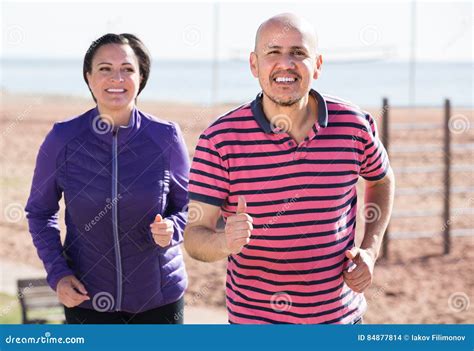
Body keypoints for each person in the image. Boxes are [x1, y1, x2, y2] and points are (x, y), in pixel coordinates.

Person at [184, 14, 395, 324]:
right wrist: (224, 242)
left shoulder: (353, 124)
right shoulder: (220, 139)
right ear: (254, 65)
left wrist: (370, 249)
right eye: (273, 52)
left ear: (318, 65)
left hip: (342, 323)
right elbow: (194, 238)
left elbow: (382, 180)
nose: (286, 63)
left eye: (298, 53)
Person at [25, 33, 189, 324]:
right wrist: (58, 275)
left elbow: (190, 206)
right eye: (105, 69)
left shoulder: (165, 137)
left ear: (141, 77)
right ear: (89, 78)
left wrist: (173, 229)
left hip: (159, 302)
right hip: (86, 302)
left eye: (127, 69)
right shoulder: (62, 139)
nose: (117, 78)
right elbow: (40, 212)